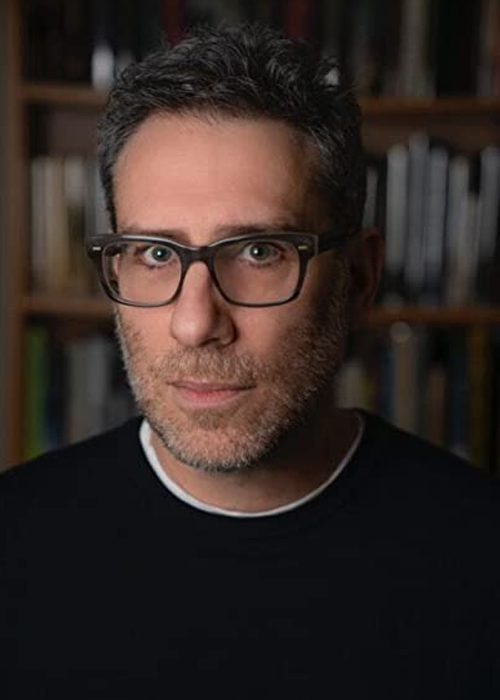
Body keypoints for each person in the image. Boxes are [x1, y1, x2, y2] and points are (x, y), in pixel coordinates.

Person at [2, 23, 499, 700]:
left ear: (358, 277)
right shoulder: (13, 540)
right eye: (155, 253)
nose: (196, 323)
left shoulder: (482, 556)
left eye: (259, 251)